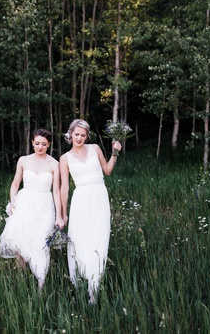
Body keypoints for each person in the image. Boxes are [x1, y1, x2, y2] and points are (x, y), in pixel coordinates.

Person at [58, 119, 121, 304]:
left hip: (99, 197)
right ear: (70, 135)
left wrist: (115, 152)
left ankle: (94, 288)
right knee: (80, 239)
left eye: (83, 135)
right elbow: (64, 188)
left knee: (98, 238)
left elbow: (107, 171)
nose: (79, 138)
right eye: (76, 134)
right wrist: (62, 213)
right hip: (80, 200)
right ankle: (80, 283)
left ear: (87, 136)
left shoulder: (95, 148)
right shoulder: (64, 158)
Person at [0, 129, 62, 292]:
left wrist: (59, 215)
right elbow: (15, 184)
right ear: (32, 142)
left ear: (49, 145)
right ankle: (21, 280)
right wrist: (12, 203)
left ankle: (41, 283)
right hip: (25, 203)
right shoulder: (23, 160)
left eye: (44, 144)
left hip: (45, 206)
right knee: (20, 241)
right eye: (37, 143)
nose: (40, 147)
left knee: (41, 243)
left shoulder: (55, 164)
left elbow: (56, 191)